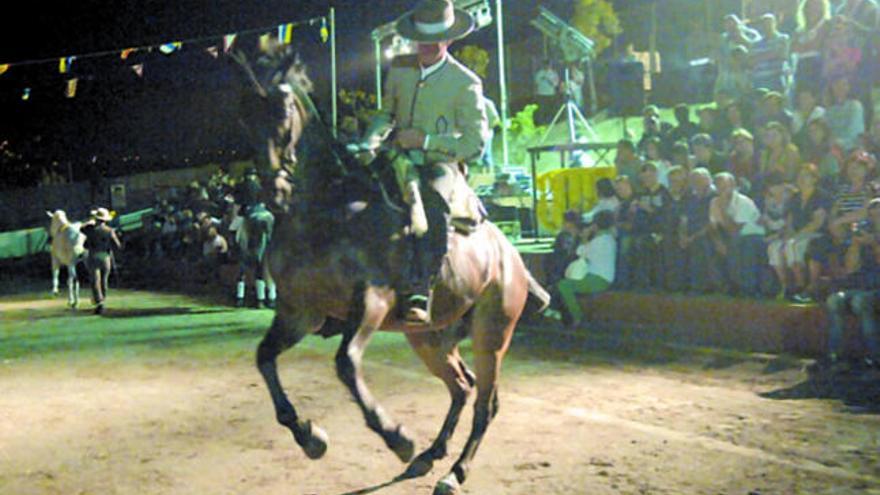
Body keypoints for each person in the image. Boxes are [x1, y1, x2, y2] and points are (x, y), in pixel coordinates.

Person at [358, 0, 490, 322]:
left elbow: (476, 144)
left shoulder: (466, 82)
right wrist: (368, 141)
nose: (425, 49)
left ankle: (420, 289)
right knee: (353, 186)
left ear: (448, 40)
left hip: (438, 164)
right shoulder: (401, 68)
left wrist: (427, 141)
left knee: (432, 203)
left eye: (433, 43)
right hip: (396, 156)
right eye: (421, 42)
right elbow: (386, 113)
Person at [822, 197, 880, 372]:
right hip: (860, 287)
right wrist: (855, 245)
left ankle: (874, 357)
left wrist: (874, 244)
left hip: (875, 289)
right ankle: (836, 356)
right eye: (873, 214)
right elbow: (850, 268)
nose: (876, 217)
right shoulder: (863, 233)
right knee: (834, 300)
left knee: (860, 302)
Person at [709, 172, 767, 296]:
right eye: (719, 187)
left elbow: (734, 229)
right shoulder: (714, 202)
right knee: (709, 245)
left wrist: (723, 208)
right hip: (731, 235)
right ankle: (721, 286)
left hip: (752, 235)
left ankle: (745, 287)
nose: (722, 190)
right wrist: (718, 242)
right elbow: (713, 226)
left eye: (725, 187)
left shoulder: (743, 202)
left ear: (733, 186)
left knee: (737, 244)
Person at [557, 210, 617, 329]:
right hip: (603, 277)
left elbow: (580, 252)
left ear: (595, 225)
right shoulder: (610, 239)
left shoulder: (598, 242)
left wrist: (584, 238)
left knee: (564, 285)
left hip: (598, 279)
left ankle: (577, 316)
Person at [81, 207, 122, 315]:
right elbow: (117, 245)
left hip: (93, 256)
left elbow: (82, 230)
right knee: (104, 280)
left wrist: (89, 221)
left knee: (95, 281)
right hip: (105, 257)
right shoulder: (109, 231)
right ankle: (103, 299)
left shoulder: (90, 230)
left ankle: (99, 302)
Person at [534, 59, 560, 126]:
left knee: (551, 109)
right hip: (541, 94)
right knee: (542, 110)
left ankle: (552, 122)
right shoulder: (539, 73)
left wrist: (549, 80)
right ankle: (542, 123)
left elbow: (556, 84)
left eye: (548, 65)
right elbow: (536, 83)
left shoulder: (554, 73)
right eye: (545, 65)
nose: (547, 66)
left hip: (551, 94)